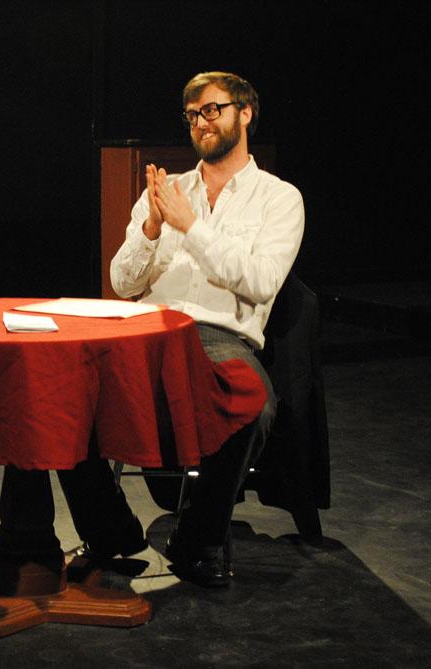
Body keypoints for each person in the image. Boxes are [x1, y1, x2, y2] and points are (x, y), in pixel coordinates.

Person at [109, 71, 304, 587]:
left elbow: (262, 281)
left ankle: (196, 538)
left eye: (212, 110)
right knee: (66, 390)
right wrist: (151, 228)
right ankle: (109, 533)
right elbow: (122, 283)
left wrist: (191, 227)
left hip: (219, 338)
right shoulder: (167, 191)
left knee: (254, 404)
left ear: (245, 112)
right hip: (148, 329)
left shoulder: (279, 199)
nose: (201, 122)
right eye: (192, 114)